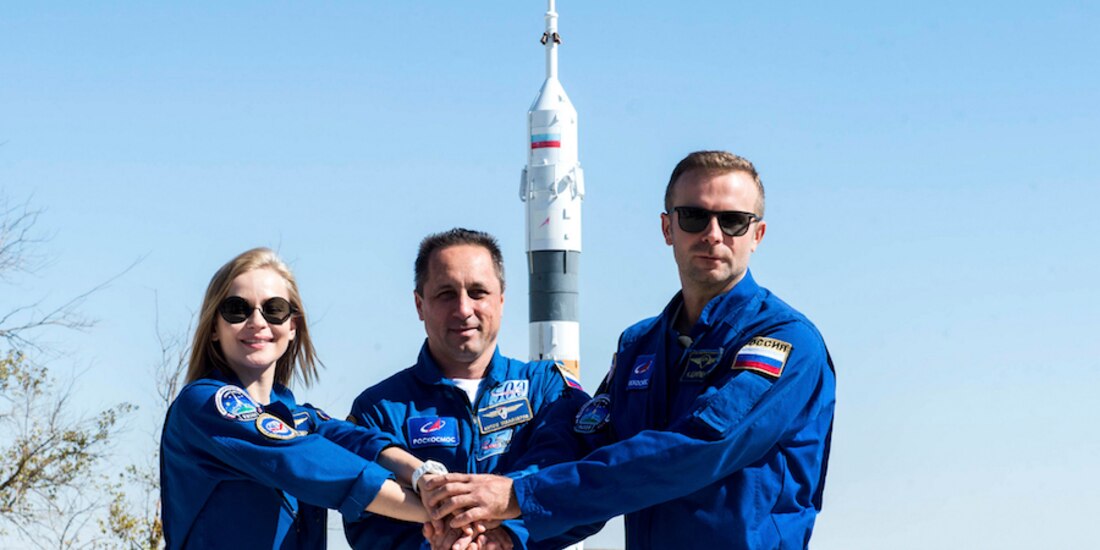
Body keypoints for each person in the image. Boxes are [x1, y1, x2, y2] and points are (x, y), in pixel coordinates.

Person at [423, 151, 837, 549]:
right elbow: (589, 448)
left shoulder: (785, 342)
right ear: (667, 228)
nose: (713, 234)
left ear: (757, 235)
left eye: (733, 221)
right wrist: (511, 536)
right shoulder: (640, 346)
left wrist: (520, 497)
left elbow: (698, 448)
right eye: (694, 216)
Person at [161, 248, 438, 549]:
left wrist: (424, 475)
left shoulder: (301, 419)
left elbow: (359, 443)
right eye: (237, 309)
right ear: (214, 327)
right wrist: (438, 512)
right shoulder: (202, 406)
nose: (257, 322)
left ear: (292, 326)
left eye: (274, 309)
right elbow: (298, 458)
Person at [343, 228, 593, 550]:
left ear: (501, 300)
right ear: (419, 304)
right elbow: (365, 519)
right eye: (446, 294)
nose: (463, 309)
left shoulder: (549, 389)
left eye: (478, 292)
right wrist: (439, 544)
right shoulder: (378, 409)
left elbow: (578, 482)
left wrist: (510, 534)